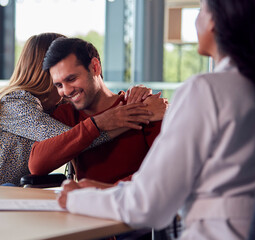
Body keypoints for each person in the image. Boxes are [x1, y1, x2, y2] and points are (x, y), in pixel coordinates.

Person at [57, 0, 255, 239]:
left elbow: (148, 204)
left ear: (213, 20)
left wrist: (79, 199)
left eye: (201, 10)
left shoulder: (206, 90)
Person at [0, 33, 154, 185]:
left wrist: (134, 98)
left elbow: (96, 98)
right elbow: (70, 140)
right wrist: (124, 118)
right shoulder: (17, 102)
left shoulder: (56, 106)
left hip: (0, 192)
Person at [29, 37, 168, 185]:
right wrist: (97, 124)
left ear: (95, 67)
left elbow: (168, 168)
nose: (66, 91)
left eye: (72, 79)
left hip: (137, 203)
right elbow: (37, 165)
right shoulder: (66, 114)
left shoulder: (143, 106)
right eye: (59, 85)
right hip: (88, 205)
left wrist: (105, 191)